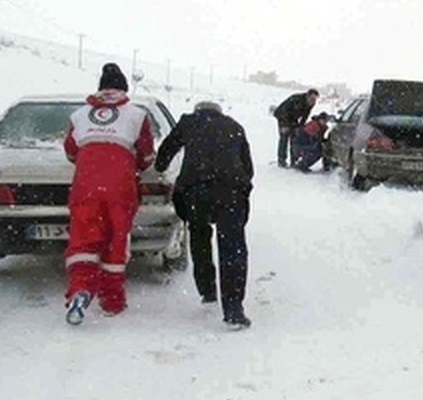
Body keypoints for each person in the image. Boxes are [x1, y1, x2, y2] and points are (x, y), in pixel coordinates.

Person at [62, 62, 155, 325]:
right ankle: (112, 300)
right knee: (116, 240)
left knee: (83, 240)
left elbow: (70, 151)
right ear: (124, 89)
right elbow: (146, 155)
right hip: (120, 187)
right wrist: (129, 161)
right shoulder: (137, 114)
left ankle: (80, 289)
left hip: (85, 185)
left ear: (100, 89)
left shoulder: (79, 115)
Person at [156, 100, 254, 329]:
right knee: (233, 247)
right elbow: (248, 168)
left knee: (199, 236)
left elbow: (167, 149)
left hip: (196, 191)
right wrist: (240, 185)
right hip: (230, 192)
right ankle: (233, 310)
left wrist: (160, 166)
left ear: (197, 111)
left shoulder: (189, 122)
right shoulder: (234, 126)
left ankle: (208, 291)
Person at [273, 88, 318, 167]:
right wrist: (285, 125)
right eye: (311, 98)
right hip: (282, 115)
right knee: (284, 136)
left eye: (315, 99)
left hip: (293, 118)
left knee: (295, 138)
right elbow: (284, 111)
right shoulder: (296, 99)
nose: (313, 101)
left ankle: (294, 160)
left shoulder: (311, 104)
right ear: (307, 96)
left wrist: (301, 127)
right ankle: (281, 160)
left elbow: (305, 115)